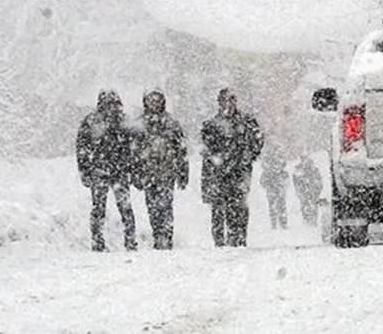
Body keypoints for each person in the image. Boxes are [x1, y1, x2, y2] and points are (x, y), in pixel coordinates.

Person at [201, 88, 264, 247]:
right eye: (224, 101)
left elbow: (258, 140)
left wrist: (248, 155)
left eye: (231, 100)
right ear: (219, 103)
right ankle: (220, 240)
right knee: (218, 207)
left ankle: (239, 238)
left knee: (239, 205)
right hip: (218, 172)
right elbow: (207, 149)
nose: (228, 105)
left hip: (240, 171)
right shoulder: (211, 125)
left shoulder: (247, 122)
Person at [76, 89, 137, 252]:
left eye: (113, 103)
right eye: (108, 103)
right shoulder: (92, 121)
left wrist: (132, 167)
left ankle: (129, 241)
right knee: (100, 208)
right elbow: (82, 148)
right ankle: (99, 241)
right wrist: (84, 170)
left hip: (116, 170)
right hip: (102, 170)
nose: (111, 107)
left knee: (123, 208)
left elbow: (134, 147)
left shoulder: (121, 121)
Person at [133, 90, 189, 250]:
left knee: (166, 206)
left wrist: (183, 173)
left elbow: (181, 150)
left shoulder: (171, 123)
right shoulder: (140, 124)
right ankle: (157, 235)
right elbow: (134, 151)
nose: (154, 103)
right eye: (151, 100)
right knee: (152, 207)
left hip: (167, 173)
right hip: (148, 173)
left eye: (157, 100)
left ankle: (166, 237)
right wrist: (135, 173)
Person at [260, 144, 290, 230]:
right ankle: (280, 223)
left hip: (275, 189)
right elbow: (263, 181)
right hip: (275, 189)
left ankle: (279, 223)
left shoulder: (269, 170)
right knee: (278, 206)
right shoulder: (272, 170)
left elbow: (263, 181)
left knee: (277, 206)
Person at [293, 156, 323, 226]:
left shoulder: (314, 171)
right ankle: (309, 220)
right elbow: (296, 181)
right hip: (306, 191)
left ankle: (311, 221)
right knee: (308, 204)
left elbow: (319, 182)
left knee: (310, 205)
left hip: (311, 190)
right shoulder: (300, 170)